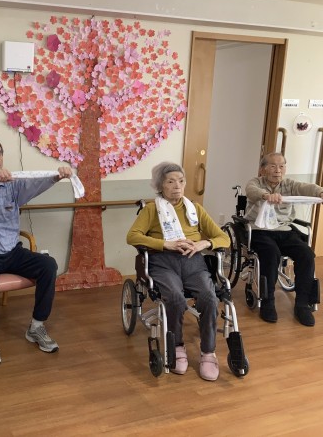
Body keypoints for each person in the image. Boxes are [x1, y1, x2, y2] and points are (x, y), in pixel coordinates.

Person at [0, 136, 72, 366]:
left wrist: (57, 175)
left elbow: (37, 183)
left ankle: (37, 326)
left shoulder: (13, 185)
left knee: (48, 265)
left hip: (12, 252)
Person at [126, 162, 230, 381]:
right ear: (160, 186)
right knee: (174, 297)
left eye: (181, 181)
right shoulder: (152, 209)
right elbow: (133, 236)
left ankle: (208, 352)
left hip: (193, 261)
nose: (177, 186)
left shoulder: (195, 208)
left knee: (209, 297)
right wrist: (165, 243)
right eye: (170, 181)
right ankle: (177, 346)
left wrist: (204, 243)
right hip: (163, 261)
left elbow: (223, 237)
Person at [244, 152, 323, 326]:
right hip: (260, 229)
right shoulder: (255, 182)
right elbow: (251, 191)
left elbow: (306, 188)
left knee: (307, 254)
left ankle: (302, 304)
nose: (277, 170)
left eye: (281, 166)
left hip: (284, 229)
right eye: (273, 166)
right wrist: (266, 196)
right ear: (263, 169)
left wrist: (320, 192)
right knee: (271, 253)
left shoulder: (289, 184)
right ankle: (268, 302)